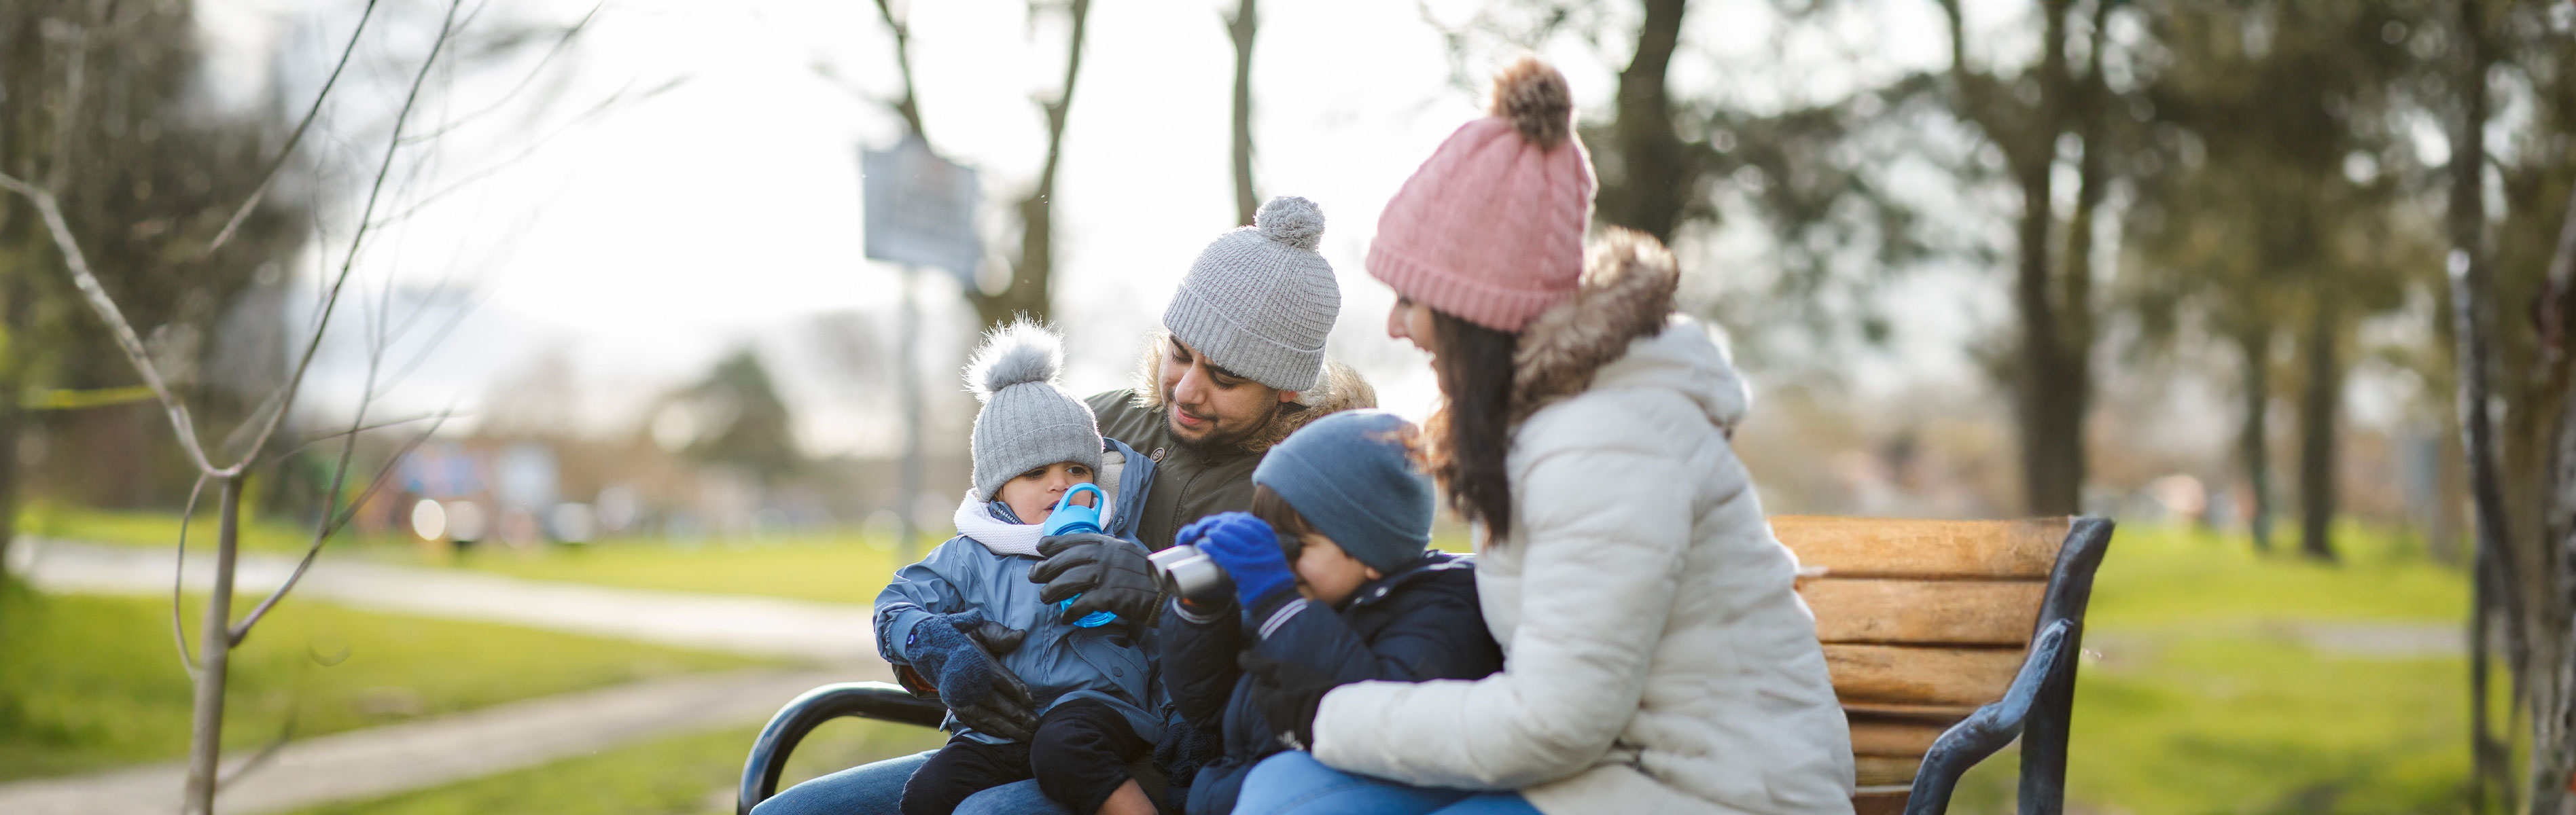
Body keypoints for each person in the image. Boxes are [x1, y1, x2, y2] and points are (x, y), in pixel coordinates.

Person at [1227, 58, 1854, 815]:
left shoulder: (1607, 445)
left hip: (1720, 790)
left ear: (1473, 311)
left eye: (1410, 300)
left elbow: (1555, 725)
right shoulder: (1546, 426)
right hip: (1611, 768)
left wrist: (1330, 712)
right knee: (1284, 794)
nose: (1394, 326)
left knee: (1301, 805)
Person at [759, 196, 1371, 815]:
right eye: (1180, 353)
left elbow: (1317, 657)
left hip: (1178, 757)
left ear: (1287, 387)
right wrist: (941, 658)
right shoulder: (1099, 422)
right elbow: (985, 547)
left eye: (1227, 378)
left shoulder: (1313, 479)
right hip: (1015, 730)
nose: (1186, 390)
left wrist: (1172, 599)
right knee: (788, 813)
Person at [875, 322, 1165, 815]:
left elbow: (1159, 636)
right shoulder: (968, 554)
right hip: (1001, 720)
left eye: (1077, 470)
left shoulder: (1112, 544)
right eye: (1035, 474)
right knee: (928, 794)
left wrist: (1178, 719)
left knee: (1065, 750)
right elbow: (894, 606)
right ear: (997, 490)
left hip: (1098, 709)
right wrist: (935, 642)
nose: (1059, 485)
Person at [1156, 410, 1503, 815]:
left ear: (1373, 551)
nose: (1279, 558)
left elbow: (1369, 721)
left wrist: (1276, 601)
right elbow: (1207, 705)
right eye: (1270, 536)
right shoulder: (1309, 598)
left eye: (1295, 544)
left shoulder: (1441, 614)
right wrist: (1203, 608)